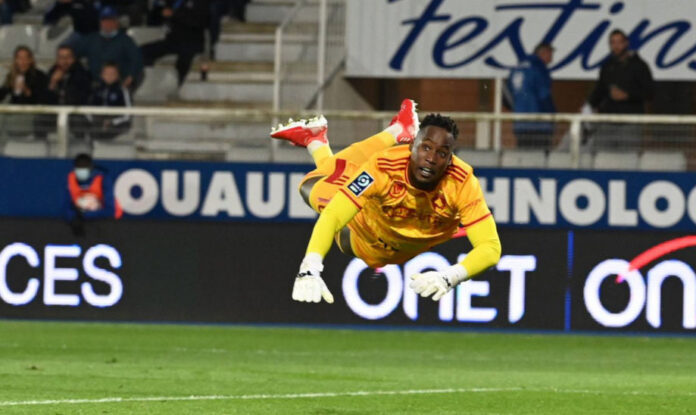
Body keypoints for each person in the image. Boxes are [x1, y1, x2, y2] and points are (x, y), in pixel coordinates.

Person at [270, 100, 502, 304]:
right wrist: (310, 268)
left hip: (400, 248)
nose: (431, 159)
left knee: (328, 174)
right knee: (310, 185)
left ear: (451, 159)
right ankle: (394, 132)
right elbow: (334, 214)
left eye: (442, 153)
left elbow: (491, 248)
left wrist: (450, 276)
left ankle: (318, 140)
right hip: (360, 233)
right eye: (426, 148)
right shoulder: (383, 168)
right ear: (411, 147)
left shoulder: (462, 182)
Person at [587, 29, 654, 149]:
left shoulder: (640, 66)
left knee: (627, 161)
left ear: (626, 43)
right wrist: (588, 105)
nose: (616, 46)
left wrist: (627, 95)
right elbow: (600, 90)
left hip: (630, 124)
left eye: (619, 42)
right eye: (613, 43)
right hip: (607, 122)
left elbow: (650, 92)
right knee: (603, 159)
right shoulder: (607, 66)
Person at [141, 0, 210, 85]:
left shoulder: (201, 2)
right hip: (173, 40)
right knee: (143, 51)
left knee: (185, 57)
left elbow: (200, 21)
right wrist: (159, 12)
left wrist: (174, 14)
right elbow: (156, 18)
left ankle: (178, 84)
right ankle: (148, 81)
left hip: (192, 41)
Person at [79, 6, 143, 91]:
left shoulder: (126, 40)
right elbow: (76, 55)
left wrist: (131, 76)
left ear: (116, 22)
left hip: (119, 85)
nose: (108, 24)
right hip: (95, 85)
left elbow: (137, 59)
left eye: (111, 20)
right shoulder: (91, 39)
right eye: (105, 20)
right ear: (100, 22)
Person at [507, 43, 556, 149]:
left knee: (524, 157)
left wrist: (517, 109)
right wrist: (552, 114)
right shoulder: (538, 68)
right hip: (539, 123)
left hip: (520, 122)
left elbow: (507, 94)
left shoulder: (517, 69)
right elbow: (544, 95)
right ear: (543, 53)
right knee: (540, 157)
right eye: (550, 55)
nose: (551, 59)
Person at [65, 153, 123, 236]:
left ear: (91, 167)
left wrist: (85, 215)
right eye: (79, 167)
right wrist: (73, 217)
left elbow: (111, 210)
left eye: (84, 167)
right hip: (81, 222)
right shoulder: (70, 178)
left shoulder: (103, 178)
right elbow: (66, 206)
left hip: (107, 222)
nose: (81, 169)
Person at [0, 46, 48, 137]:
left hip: (33, 115)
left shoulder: (39, 76)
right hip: (15, 114)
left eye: (25, 58)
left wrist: (27, 91)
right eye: (19, 58)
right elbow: (2, 93)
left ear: (30, 60)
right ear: (16, 60)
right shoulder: (11, 76)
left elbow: (43, 99)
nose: (22, 61)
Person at [87, 62, 132, 140]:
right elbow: (88, 109)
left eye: (112, 74)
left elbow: (128, 114)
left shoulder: (122, 91)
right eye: (106, 73)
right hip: (98, 121)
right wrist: (96, 121)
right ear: (101, 75)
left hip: (115, 122)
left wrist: (112, 122)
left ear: (118, 75)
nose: (109, 76)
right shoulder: (96, 90)